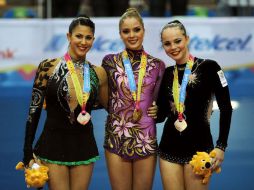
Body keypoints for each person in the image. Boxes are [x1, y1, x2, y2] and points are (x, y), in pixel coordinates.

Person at [22, 16, 108, 190]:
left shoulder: (98, 73)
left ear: (93, 39)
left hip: (84, 144)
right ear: (69, 37)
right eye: (79, 36)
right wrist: (27, 150)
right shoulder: (48, 67)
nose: (83, 42)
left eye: (88, 37)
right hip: (53, 143)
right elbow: (34, 110)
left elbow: (108, 105)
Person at [156, 20, 233, 190]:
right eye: (167, 44)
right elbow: (161, 115)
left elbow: (226, 108)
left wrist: (221, 146)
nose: (173, 47)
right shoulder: (167, 73)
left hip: (200, 149)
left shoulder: (210, 67)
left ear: (187, 39)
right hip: (169, 148)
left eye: (177, 41)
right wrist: (151, 110)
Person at [101, 8, 165, 190]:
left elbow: (159, 103)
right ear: (120, 34)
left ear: (144, 30)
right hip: (117, 136)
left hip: (146, 136)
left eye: (136, 29)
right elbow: (103, 99)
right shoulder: (109, 62)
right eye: (126, 31)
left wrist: (159, 111)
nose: (132, 35)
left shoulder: (157, 65)